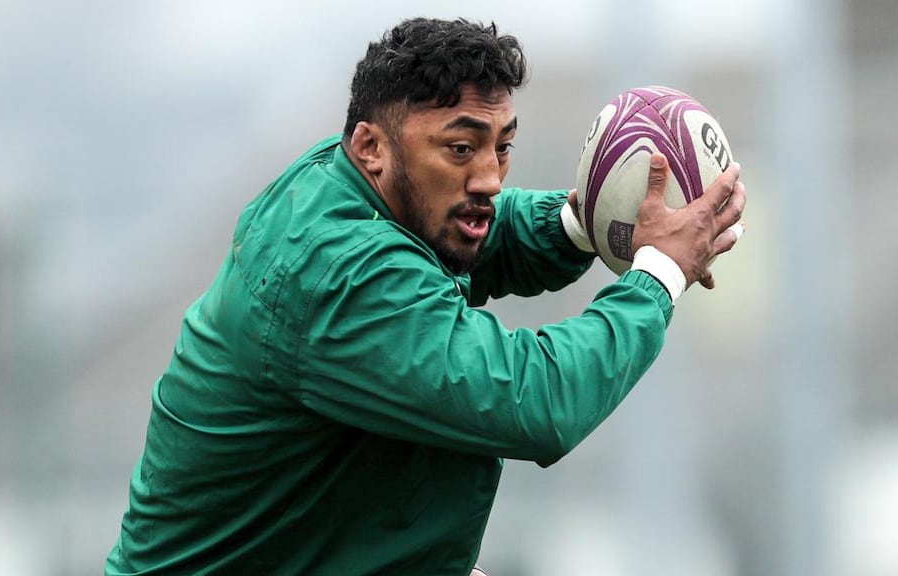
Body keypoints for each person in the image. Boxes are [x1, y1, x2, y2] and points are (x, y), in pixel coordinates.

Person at [106, 17, 746, 576]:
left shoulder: (360, 189)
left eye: (503, 147)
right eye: (461, 149)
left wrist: (587, 221)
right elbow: (533, 400)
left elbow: (489, 231)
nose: (490, 179)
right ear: (371, 147)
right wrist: (660, 271)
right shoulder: (338, 275)